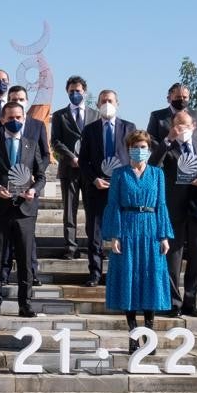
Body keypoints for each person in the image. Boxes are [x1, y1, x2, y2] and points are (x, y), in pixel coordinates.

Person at [101, 130, 174, 354]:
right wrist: (115, 235)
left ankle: (149, 335)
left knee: (150, 279)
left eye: (143, 147)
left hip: (151, 228)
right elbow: (113, 205)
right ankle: (133, 335)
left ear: (149, 150)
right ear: (128, 148)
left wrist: (164, 235)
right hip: (128, 228)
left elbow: (161, 204)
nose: (140, 150)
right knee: (129, 280)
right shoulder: (120, 174)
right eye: (136, 146)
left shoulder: (157, 174)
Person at [0, 101, 47, 318]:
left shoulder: (31, 144)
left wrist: (34, 190)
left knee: (24, 259)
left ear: (24, 119)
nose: (15, 121)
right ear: (2, 120)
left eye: (18, 118)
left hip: (24, 209)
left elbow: (41, 176)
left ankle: (25, 303)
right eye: (10, 118)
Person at [151, 110, 197, 318]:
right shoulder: (168, 147)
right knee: (172, 260)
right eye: (178, 125)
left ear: (194, 126)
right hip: (173, 209)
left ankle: (191, 302)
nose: (182, 129)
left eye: (185, 125)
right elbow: (153, 165)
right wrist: (168, 139)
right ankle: (173, 302)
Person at [78, 89, 135, 286]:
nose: (106, 104)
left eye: (110, 100)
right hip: (96, 188)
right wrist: (94, 179)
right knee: (94, 233)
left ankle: (120, 273)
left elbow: (134, 159)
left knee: (123, 232)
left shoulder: (129, 128)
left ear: (117, 103)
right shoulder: (90, 129)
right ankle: (95, 273)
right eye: (103, 101)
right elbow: (83, 161)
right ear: (97, 105)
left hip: (122, 189)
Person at [1, 85, 50, 285]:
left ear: (26, 102)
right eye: (13, 98)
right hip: (5, 193)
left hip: (28, 191)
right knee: (4, 239)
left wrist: (32, 178)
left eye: (21, 98)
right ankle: (3, 274)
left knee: (28, 239)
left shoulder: (37, 125)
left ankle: (32, 273)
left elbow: (44, 154)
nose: (17, 101)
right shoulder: (4, 126)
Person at [51, 76, 97, 260]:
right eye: (71, 91)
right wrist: (71, 156)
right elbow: (55, 141)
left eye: (78, 91)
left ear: (84, 91)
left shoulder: (95, 115)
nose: (75, 94)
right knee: (69, 210)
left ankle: (93, 244)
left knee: (91, 210)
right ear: (67, 92)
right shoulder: (59, 115)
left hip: (90, 170)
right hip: (68, 169)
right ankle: (71, 246)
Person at [147, 83, 197, 153]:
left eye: (185, 97)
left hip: (194, 160)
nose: (182, 100)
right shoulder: (157, 116)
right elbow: (151, 140)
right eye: (178, 97)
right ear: (169, 99)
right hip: (167, 161)